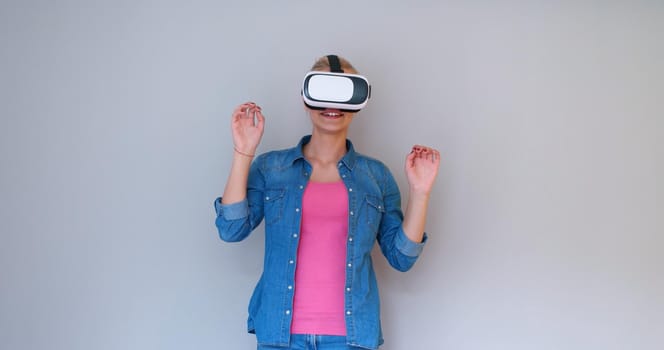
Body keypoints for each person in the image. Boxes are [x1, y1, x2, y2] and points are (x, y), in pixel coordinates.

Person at [214, 55, 440, 350]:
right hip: (280, 337)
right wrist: (243, 152)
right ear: (306, 98)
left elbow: (401, 258)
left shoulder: (376, 176)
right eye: (323, 93)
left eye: (344, 94)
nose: (333, 106)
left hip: (351, 337)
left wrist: (421, 192)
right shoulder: (272, 168)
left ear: (359, 101)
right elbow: (231, 230)